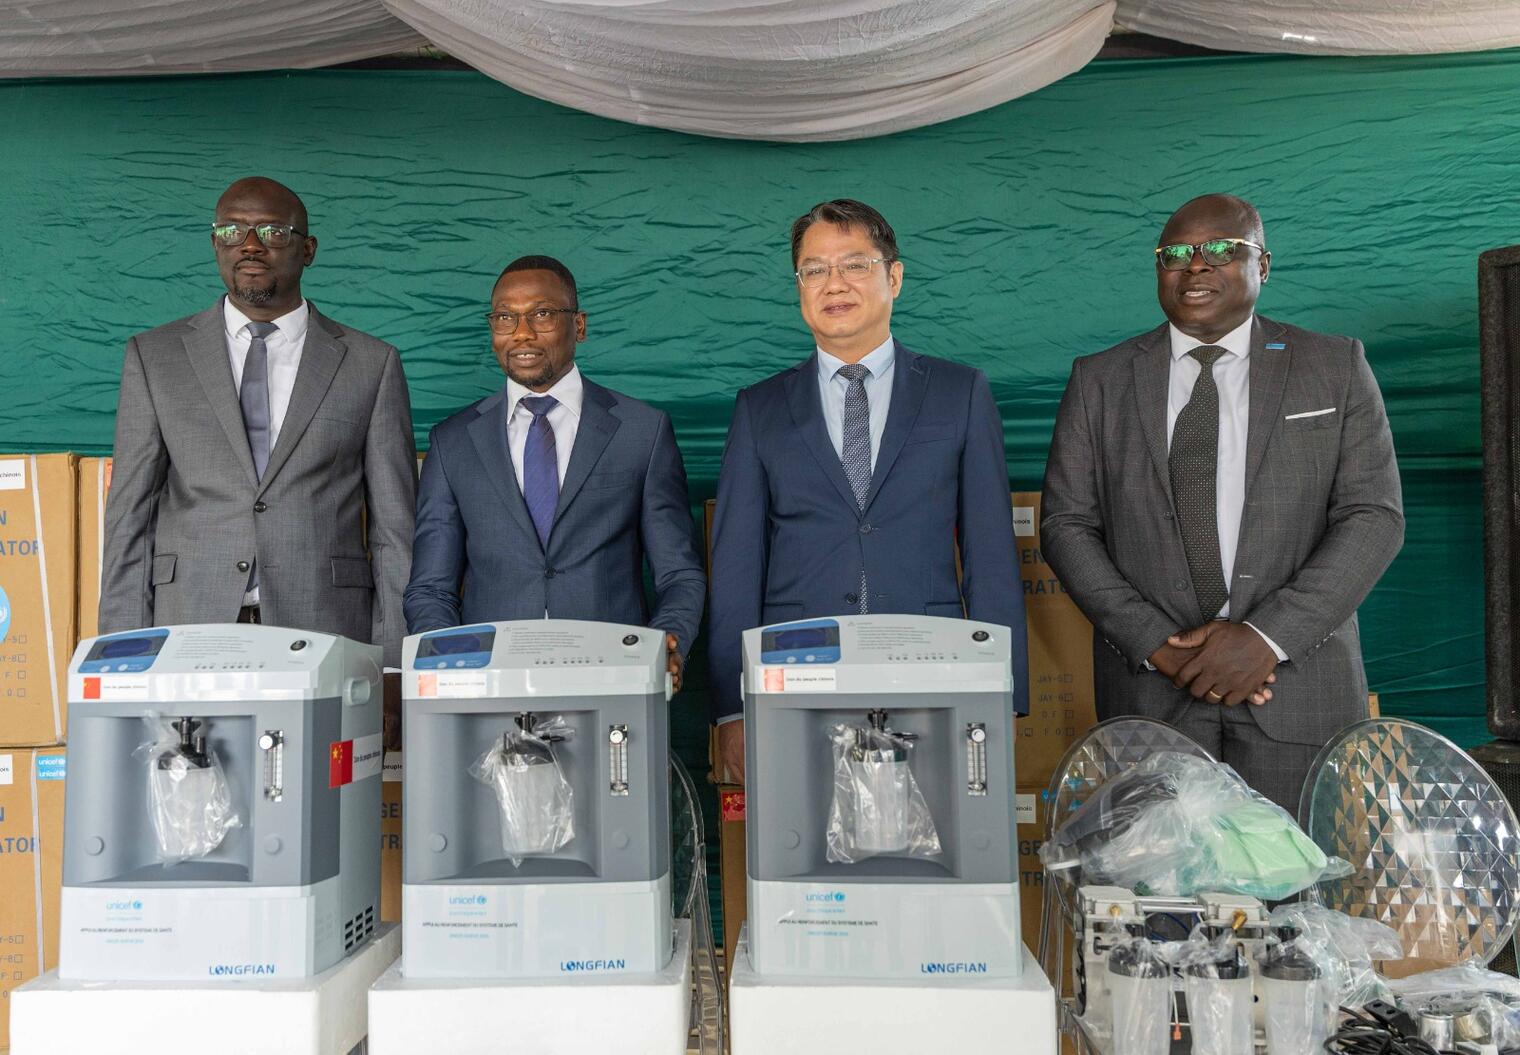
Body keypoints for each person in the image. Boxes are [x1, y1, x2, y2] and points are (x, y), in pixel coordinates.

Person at [1041, 193, 1404, 811]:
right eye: (1176, 253)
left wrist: (1265, 638)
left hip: (1295, 689)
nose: (1196, 265)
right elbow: (1066, 525)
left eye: (1220, 249)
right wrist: (1156, 643)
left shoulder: (1334, 366)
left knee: (1294, 873)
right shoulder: (1099, 379)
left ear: (1263, 264)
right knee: (1155, 874)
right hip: (1152, 696)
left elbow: (1373, 517)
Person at [708, 199, 1027, 781]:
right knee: (800, 834)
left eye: (854, 264)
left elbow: (991, 555)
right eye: (814, 270)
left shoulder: (959, 392)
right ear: (799, 287)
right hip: (794, 678)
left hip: (932, 670)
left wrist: (1005, 693)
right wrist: (732, 708)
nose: (834, 284)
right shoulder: (760, 408)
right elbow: (735, 566)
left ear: (894, 277)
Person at [101, 176, 417, 665]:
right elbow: (130, 518)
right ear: (215, 244)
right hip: (189, 625)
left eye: (272, 232)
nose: (249, 245)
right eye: (231, 231)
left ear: (307, 249)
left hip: (325, 628)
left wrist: (393, 665)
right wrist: (122, 656)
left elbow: (395, 529)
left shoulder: (371, 364)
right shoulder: (155, 357)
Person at [404, 256, 704, 688]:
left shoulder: (642, 431)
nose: (521, 332)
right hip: (490, 684)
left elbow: (679, 574)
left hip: (612, 678)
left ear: (578, 326)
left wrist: (666, 644)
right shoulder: (452, 442)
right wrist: (452, 666)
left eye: (542, 314)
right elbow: (431, 589)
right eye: (505, 317)